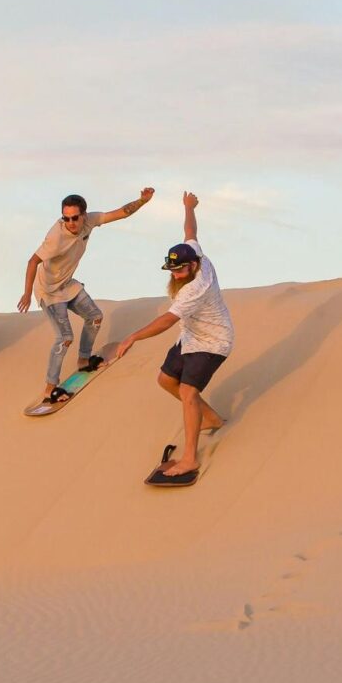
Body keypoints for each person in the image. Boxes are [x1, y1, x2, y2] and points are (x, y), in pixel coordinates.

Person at [114, 192, 233, 485]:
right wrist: (189, 207)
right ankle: (212, 419)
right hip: (191, 336)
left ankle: (190, 458)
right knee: (166, 381)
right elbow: (190, 232)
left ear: (193, 266)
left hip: (213, 342)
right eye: (173, 269)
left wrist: (133, 337)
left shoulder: (197, 287)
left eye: (181, 269)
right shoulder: (193, 253)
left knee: (188, 392)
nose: (177, 274)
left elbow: (167, 320)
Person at [17, 187, 155, 405]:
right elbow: (33, 261)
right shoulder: (55, 237)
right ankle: (49, 388)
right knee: (65, 338)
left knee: (95, 317)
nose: (70, 223)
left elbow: (120, 213)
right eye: (66, 218)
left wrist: (142, 201)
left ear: (83, 215)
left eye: (74, 218)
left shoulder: (90, 221)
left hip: (67, 285)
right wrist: (26, 294)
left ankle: (83, 360)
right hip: (49, 292)